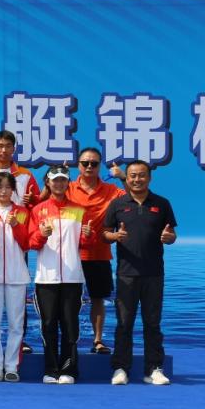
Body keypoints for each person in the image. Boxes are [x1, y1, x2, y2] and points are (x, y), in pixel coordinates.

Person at [104, 160, 177, 385]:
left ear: (149, 177)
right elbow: (105, 233)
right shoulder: (117, 204)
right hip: (126, 274)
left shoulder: (162, 204)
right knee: (124, 323)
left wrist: (169, 238)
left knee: (152, 323)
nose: (137, 179)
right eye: (133, 176)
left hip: (154, 273)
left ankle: (153, 369)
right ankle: (120, 368)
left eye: (142, 175)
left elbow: (171, 234)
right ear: (127, 178)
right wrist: (115, 236)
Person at [0, 129, 41, 355]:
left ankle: (20, 341)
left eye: (8, 146)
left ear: (14, 149)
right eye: (0, 146)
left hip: (16, 238)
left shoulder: (25, 175)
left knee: (17, 301)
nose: (4, 150)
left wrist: (33, 201)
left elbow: (36, 207)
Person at [29, 165, 93, 384]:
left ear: (68, 183)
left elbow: (85, 243)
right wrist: (41, 234)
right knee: (48, 325)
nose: (59, 183)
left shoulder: (79, 210)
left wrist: (87, 236)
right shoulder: (38, 210)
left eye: (63, 180)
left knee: (69, 324)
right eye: (55, 180)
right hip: (46, 278)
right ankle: (50, 369)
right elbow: (31, 242)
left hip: (72, 277)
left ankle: (69, 370)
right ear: (47, 182)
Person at [62, 147, 125, 354]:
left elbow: (134, 198)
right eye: (85, 163)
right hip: (70, 255)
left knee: (98, 299)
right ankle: (69, 341)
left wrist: (123, 177)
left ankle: (97, 341)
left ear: (99, 166)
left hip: (99, 254)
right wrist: (58, 175)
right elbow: (45, 201)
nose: (89, 166)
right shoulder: (67, 187)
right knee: (69, 301)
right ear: (78, 165)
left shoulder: (111, 190)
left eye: (94, 163)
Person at [0, 173, 31, 382]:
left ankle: (11, 366)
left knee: (16, 324)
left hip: (16, 275)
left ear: (13, 190)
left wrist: (16, 225)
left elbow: (28, 243)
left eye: (7, 187)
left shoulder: (23, 213)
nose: (3, 191)